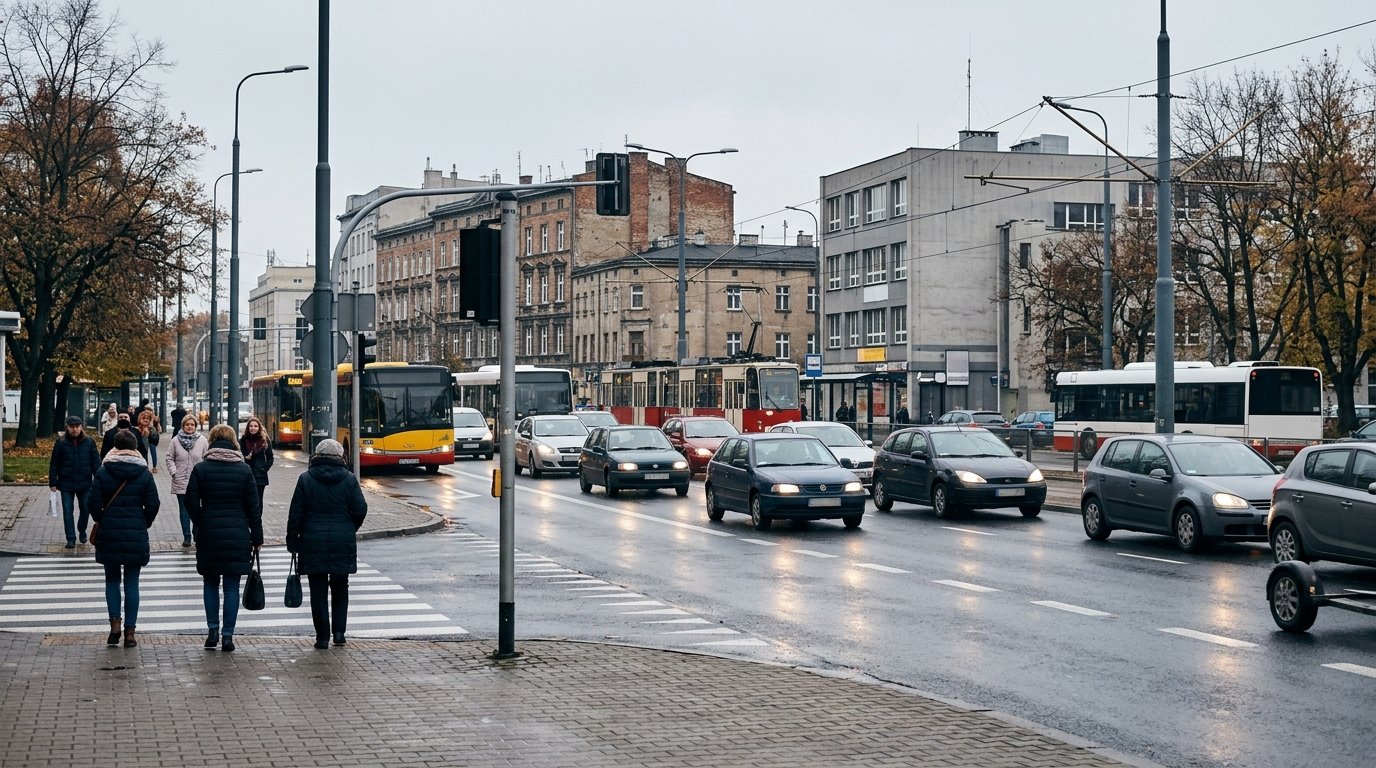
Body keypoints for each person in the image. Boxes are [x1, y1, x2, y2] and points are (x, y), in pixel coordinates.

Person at [186, 424, 262, 653]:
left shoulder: (201, 469)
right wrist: (256, 536)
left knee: (210, 582)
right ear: (233, 443)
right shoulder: (244, 470)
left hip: (209, 533)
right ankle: (228, 636)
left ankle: (212, 631)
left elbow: (190, 502)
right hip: (238, 533)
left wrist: (201, 521)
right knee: (231, 587)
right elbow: (253, 507)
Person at [288, 439, 368, 650]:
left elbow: (296, 513)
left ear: (317, 455)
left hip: (313, 539)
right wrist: (349, 527)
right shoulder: (349, 479)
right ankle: (339, 633)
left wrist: (292, 539)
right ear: (340, 456)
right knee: (341, 587)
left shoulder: (306, 478)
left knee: (318, 590)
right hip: (342, 539)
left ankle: (322, 637)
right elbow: (360, 509)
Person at [87, 429, 159, 647]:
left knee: (111, 580)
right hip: (135, 532)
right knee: (132, 583)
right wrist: (143, 521)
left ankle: (114, 625)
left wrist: (102, 518)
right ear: (135, 446)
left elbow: (92, 503)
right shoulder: (144, 473)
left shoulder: (103, 471)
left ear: (115, 446)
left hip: (109, 532)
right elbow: (154, 504)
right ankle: (130, 632)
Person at [49, 416, 101, 548]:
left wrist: (99, 480)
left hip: (85, 483)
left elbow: (96, 463)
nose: (74, 429)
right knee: (68, 511)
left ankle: (82, 530)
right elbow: (54, 463)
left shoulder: (89, 442)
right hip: (66, 483)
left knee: (85, 509)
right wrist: (53, 482)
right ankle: (70, 538)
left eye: (77, 426)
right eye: (72, 427)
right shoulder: (61, 443)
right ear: (67, 427)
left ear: (81, 427)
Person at [165, 414, 208, 548]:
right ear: (183, 426)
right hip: (181, 479)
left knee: (197, 508)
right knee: (184, 510)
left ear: (195, 426)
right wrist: (174, 472)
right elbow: (169, 458)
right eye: (187, 424)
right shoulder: (175, 441)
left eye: (192, 425)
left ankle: (197, 533)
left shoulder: (202, 440)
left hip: (198, 481)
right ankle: (186, 536)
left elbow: (207, 457)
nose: (190, 427)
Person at [240, 417, 274, 513]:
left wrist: (263, 469)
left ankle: (257, 521)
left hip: (260, 476)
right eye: (251, 426)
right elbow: (238, 454)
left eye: (255, 426)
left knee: (258, 500)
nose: (253, 428)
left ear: (259, 427)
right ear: (248, 428)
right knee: (246, 499)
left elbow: (270, 458)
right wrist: (245, 456)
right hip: (246, 474)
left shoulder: (264, 440)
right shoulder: (243, 440)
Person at [138, 408, 160, 474]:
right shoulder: (138, 428)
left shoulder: (154, 420)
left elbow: (157, 431)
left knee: (152, 452)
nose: (145, 419)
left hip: (151, 440)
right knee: (145, 452)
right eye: (144, 418)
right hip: (145, 440)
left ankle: (154, 467)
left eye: (147, 418)